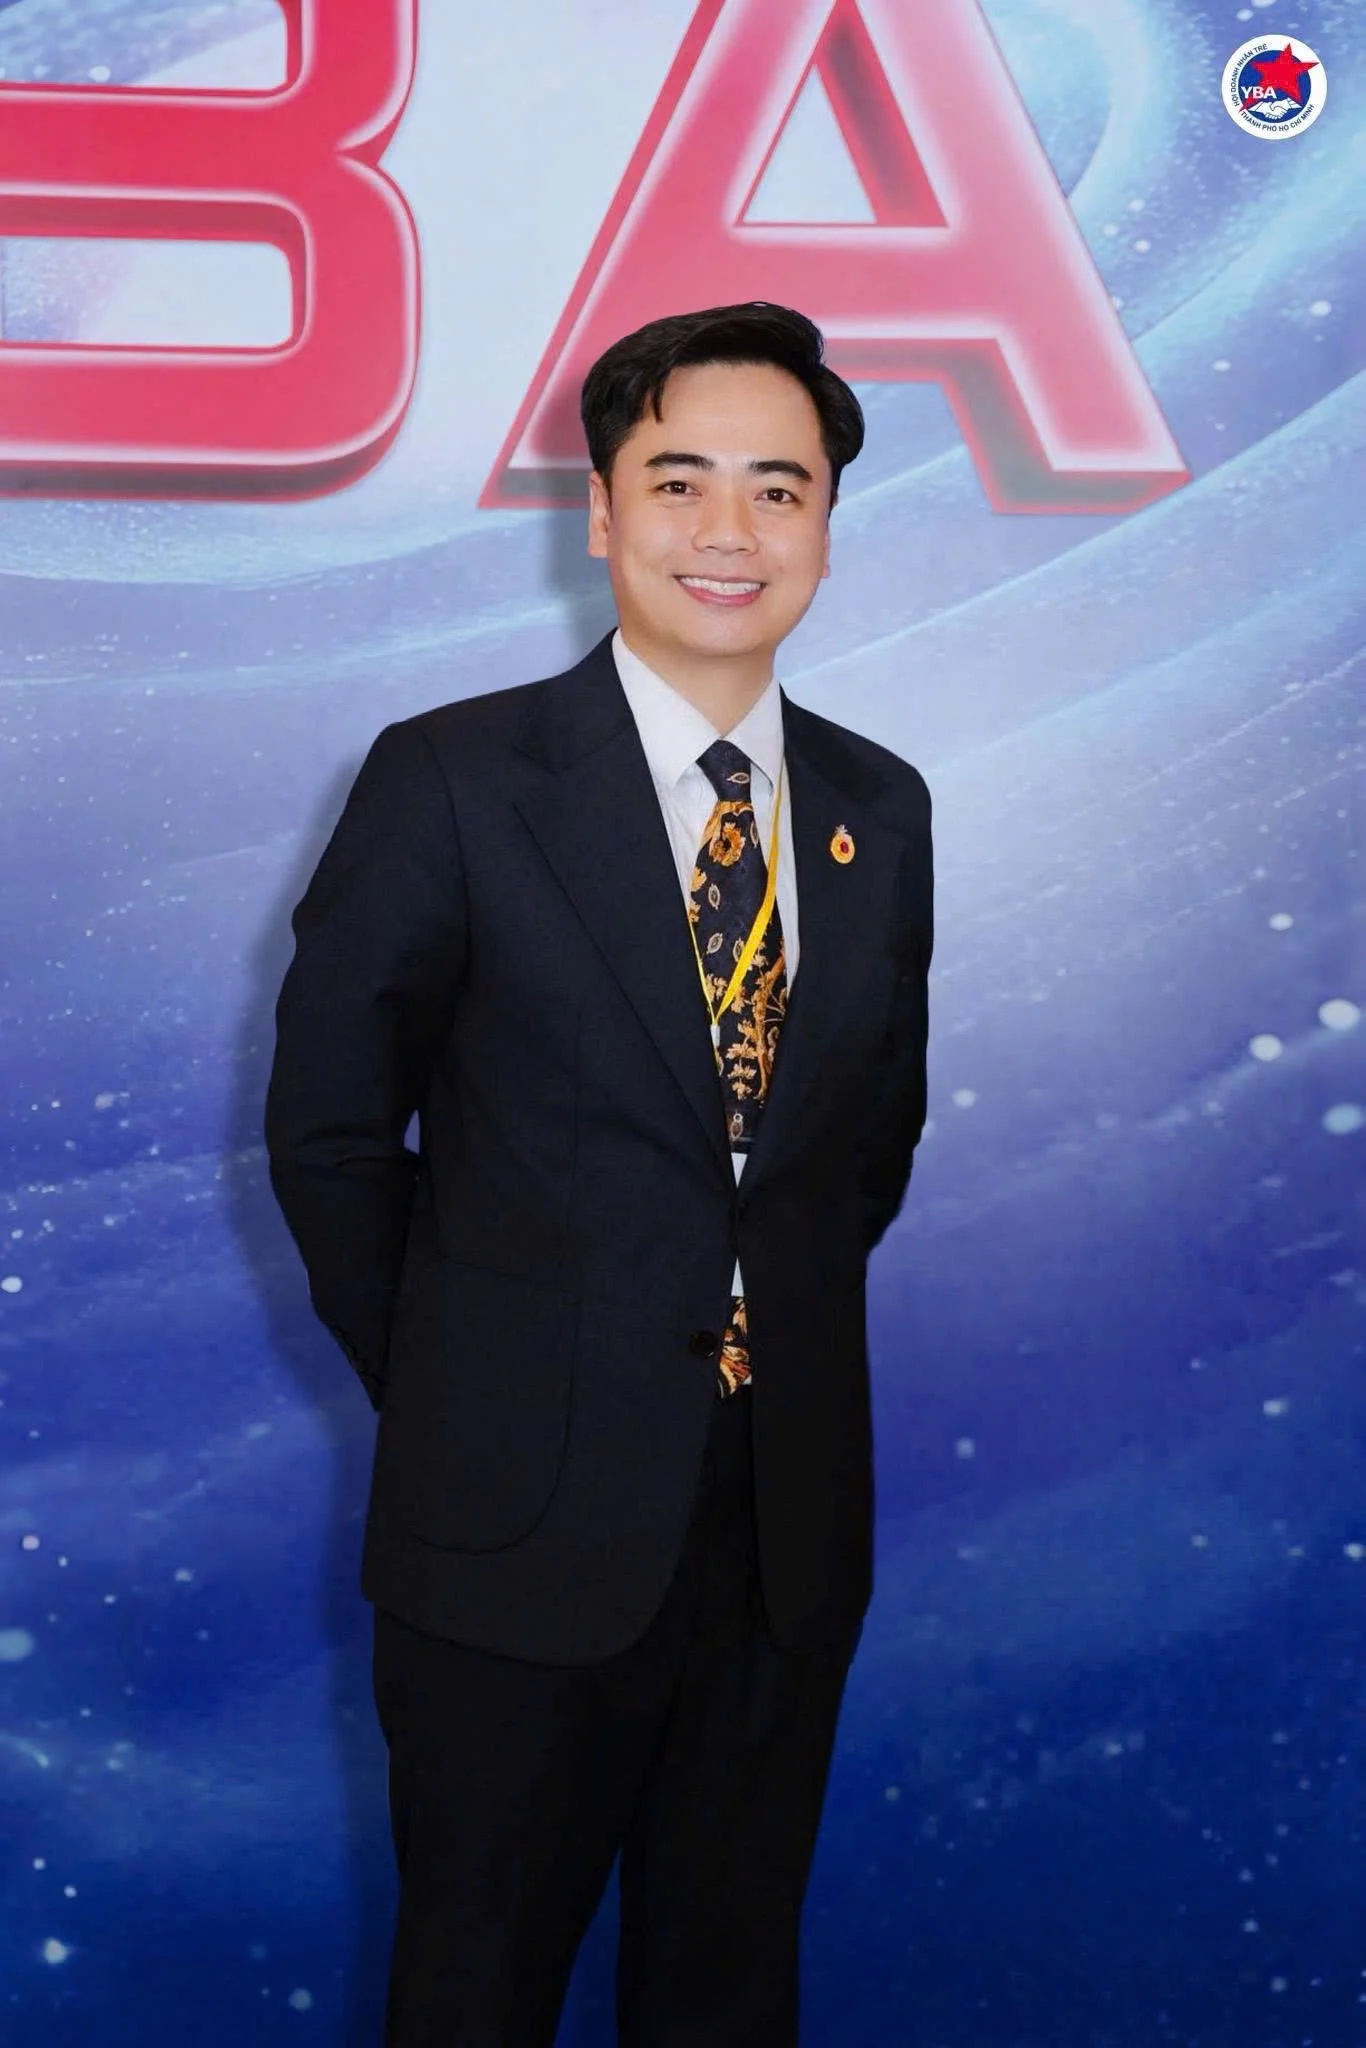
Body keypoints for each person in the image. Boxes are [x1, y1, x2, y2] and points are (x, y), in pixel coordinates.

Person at [265, 300, 933, 2047]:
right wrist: (472, 1384)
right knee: (474, 1989)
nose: (730, 530)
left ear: (825, 524)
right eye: (680, 479)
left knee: (727, 1992)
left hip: (782, 1522)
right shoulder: (452, 779)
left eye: (778, 488)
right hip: (511, 1524)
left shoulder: (880, 809)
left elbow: (862, 1146)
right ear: (602, 511)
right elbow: (332, 1131)